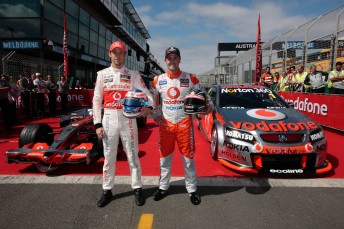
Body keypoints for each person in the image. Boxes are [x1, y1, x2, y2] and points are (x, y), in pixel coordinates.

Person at [93, 41, 155, 208]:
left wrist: (149, 107)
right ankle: (107, 190)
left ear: (125, 55)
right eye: (115, 52)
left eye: (121, 53)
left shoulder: (133, 74)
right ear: (109, 54)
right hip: (109, 119)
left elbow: (147, 93)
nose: (118, 56)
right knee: (109, 156)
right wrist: (97, 123)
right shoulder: (102, 74)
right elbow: (97, 100)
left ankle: (137, 188)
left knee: (133, 156)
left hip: (128, 118)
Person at [151, 46, 203, 205]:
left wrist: (203, 106)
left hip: (184, 124)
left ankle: (192, 189)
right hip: (166, 125)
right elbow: (152, 99)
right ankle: (163, 187)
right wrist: (155, 114)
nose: (172, 61)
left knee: (188, 159)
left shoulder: (191, 78)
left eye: (175, 58)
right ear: (165, 61)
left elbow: (202, 95)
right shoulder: (157, 80)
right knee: (165, 159)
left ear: (179, 60)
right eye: (169, 58)